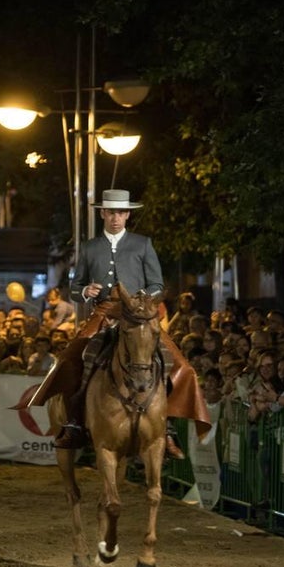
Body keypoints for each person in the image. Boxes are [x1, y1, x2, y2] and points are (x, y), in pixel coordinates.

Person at [19, 189, 210, 457]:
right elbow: (75, 288)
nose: (116, 217)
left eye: (121, 212)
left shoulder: (143, 244)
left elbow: (157, 284)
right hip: (104, 313)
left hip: (138, 314)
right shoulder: (89, 248)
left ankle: (167, 429)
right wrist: (86, 292)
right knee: (70, 360)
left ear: (128, 214)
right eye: (111, 212)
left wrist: (142, 299)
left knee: (182, 367)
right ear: (102, 214)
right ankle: (73, 422)